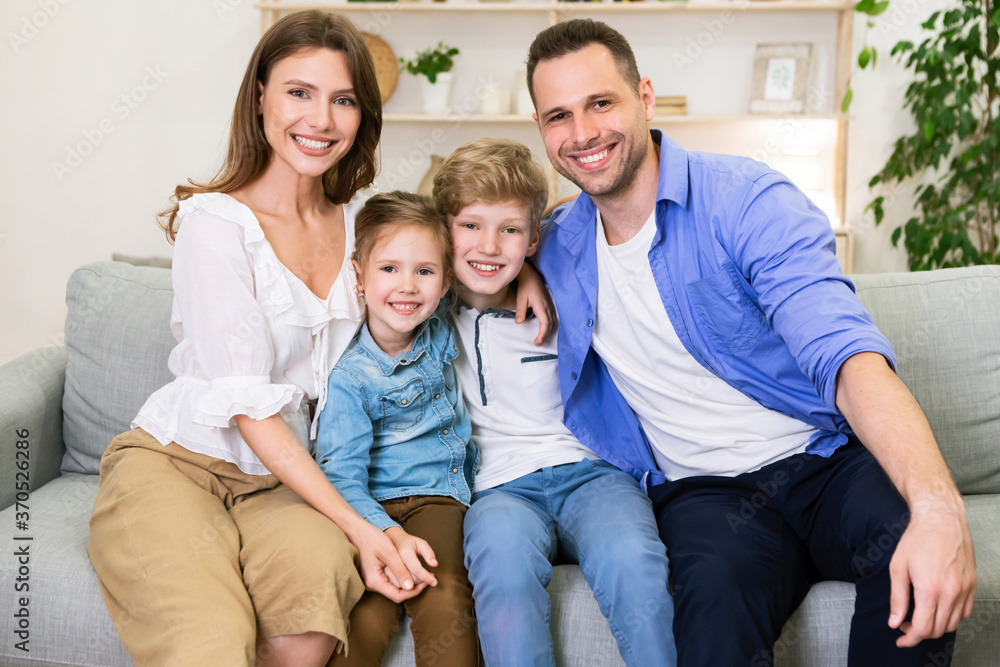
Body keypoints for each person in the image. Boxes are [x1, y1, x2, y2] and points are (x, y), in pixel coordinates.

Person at [524, 18, 977, 667]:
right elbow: (456, 252)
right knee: (711, 618)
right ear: (541, 129)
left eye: (601, 103)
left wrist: (936, 506)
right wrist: (514, 282)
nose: (583, 133)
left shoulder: (745, 201)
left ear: (644, 96)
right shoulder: (555, 244)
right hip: (705, 494)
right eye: (558, 116)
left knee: (915, 555)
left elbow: (845, 356)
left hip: (824, 460)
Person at [88, 12, 435, 666]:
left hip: (284, 485)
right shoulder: (214, 222)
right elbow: (250, 408)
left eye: (343, 100)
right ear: (261, 99)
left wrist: (523, 281)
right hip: (176, 465)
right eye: (299, 92)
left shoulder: (364, 226)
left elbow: (442, 272)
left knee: (308, 629)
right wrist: (362, 527)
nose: (322, 119)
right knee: (210, 643)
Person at [433, 137, 677, 667]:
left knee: (633, 561)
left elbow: (591, 208)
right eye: (471, 226)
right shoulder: (426, 309)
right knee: (500, 564)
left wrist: (535, 270)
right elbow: (381, 239)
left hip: (592, 473)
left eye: (510, 231)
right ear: (443, 230)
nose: (490, 247)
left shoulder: (568, 288)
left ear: (533, 237)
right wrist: (523, 269)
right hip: (498, 490)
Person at [316, 191, 480, 667]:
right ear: (359, 276)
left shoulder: (444, 325)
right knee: (364, 614)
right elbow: (340, 477)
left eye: (424, 271)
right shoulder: (349, 377)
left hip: (437, 497)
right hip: (366, 507)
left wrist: (528, 274)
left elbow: (506, 262)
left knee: (444, 590)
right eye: (389, 269)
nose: (407, 286)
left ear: (446, 281)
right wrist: (385, 536)